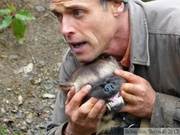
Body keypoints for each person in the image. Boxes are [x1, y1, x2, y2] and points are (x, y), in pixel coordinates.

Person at [46, 0, 180, 134]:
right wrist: (73, 131)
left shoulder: (175, 33)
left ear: (116, 4)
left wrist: (155, 106)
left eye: (78, 12)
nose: (65, 29)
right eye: (59, 15)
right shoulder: (75, 61)